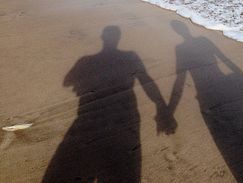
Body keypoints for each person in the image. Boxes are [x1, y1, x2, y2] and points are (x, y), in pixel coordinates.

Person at [43, 26, 174, 183]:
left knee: (82, 163)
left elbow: (67, 82)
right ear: (117, 39)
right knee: (122, 168)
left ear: (103, 38)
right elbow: (146, 81)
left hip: (92, 118)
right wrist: (160, 105)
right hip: (125, 117)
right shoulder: (130, 57)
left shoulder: (86, 61)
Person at [168, 20, 243, 183]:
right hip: (222, 89)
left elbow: (180, 79)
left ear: (177, 31)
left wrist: (169, 110)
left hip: (207, 96)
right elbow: (226, 61)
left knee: (230, 146)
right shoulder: (203, 41)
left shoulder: (181, 49)